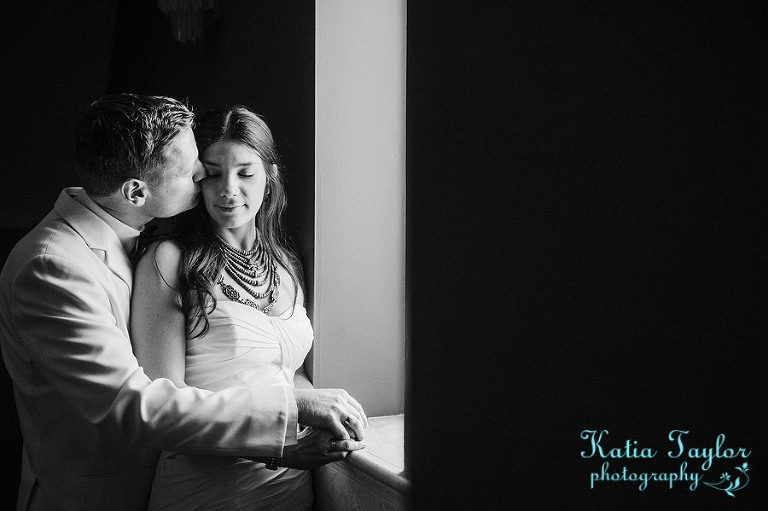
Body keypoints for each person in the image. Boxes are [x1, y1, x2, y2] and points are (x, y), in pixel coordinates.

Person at [0, 94, 366, 511]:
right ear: (136, 192)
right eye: (198, 171)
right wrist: (291, 414)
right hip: (97, 497)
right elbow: (134, 406)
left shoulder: (131, 236)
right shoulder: (53, 267)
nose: (206, 177)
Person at [131, 105, 334, 510]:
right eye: (212, 174)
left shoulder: (286, 265)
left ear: (270, 177)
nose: (228, 190)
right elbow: (163, 408)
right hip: (205, 489)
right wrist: (277, 449)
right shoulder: (168, 260)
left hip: (291, 489)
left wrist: (328, 412)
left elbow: (284, 375)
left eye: (245, 173)